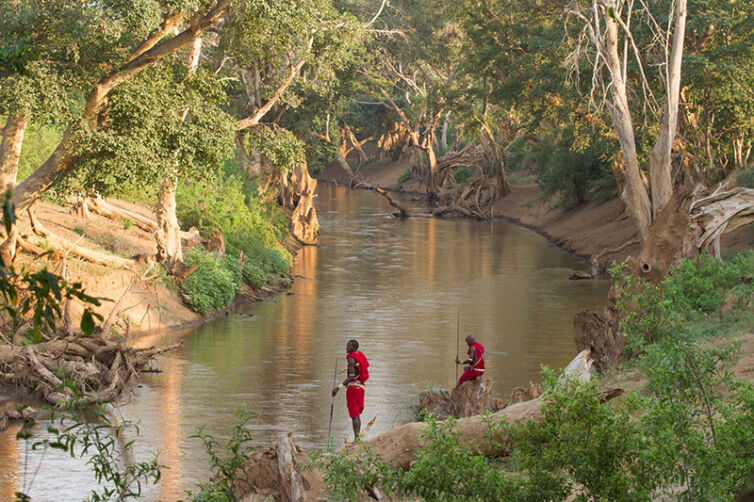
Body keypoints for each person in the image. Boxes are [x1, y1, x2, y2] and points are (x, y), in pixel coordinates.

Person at [332, 339, 369, 441]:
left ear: (353, 348)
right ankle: (357, 439)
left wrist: (338, 387)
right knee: (356, 414)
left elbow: (352, 375)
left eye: (348, 346)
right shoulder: (358, 356)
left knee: (354, 415)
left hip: (354, 389)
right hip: (360, 387)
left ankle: (356, 440)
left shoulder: (352, 358)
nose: (346, 348)